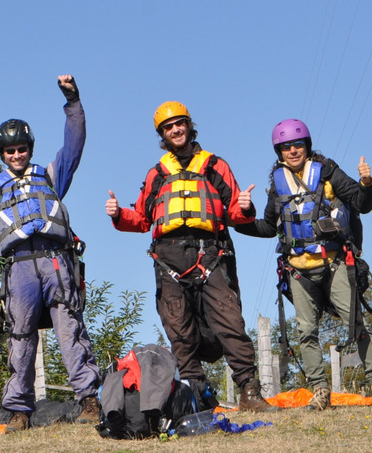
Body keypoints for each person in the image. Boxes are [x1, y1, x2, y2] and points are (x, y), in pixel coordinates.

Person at [105, 100, 272, 412]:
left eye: (179, 124)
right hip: (168, 258)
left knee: (229, 322)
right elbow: (142, 219)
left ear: (189, 126)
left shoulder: (215, 166)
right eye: (168, 127)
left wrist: (246, 207)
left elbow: (235, 212)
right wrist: (118, 215)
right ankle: (198, 396)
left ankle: (249, 393)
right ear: (163, 135)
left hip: (210, 252)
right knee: (178, 330)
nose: (175, 130)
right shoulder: (157, 174)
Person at [237, 118, 372, 410]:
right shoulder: (277, 185)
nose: (293, 151)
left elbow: (362, 204)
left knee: (355, 324)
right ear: (279, 152)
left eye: (297, 144)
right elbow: (268, 227)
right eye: (286, 147)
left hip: (334, 263)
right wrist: (240, 217)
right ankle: (320, 391)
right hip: (298, 271)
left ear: (307, 145)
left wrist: (367, 183)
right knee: (306, 333)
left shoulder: (328, 171)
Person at [0, 74, 102, 433]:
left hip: (55, 262)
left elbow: (75, 144)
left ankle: (89, 398)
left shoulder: (50, 176)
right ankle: (19, 410)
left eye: (22, 148)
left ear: (30, 148)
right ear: (2, 154)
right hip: (17, 270)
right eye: (10, 150)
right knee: (20, 338)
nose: (17, 155)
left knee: (71, 331)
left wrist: (73, 103)